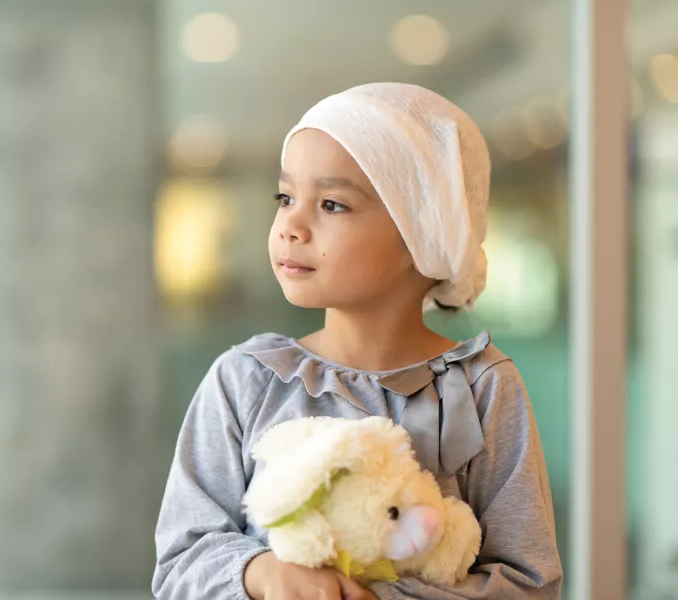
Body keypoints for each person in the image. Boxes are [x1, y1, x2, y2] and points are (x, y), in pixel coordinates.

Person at [152, 83, 563, 600]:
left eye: (331, 204)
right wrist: (261, 573)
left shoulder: (483, 387)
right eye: (285, 198)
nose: (291, 226)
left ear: (423, 231)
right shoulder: (246, 380)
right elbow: (180, 562)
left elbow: (529, 583)